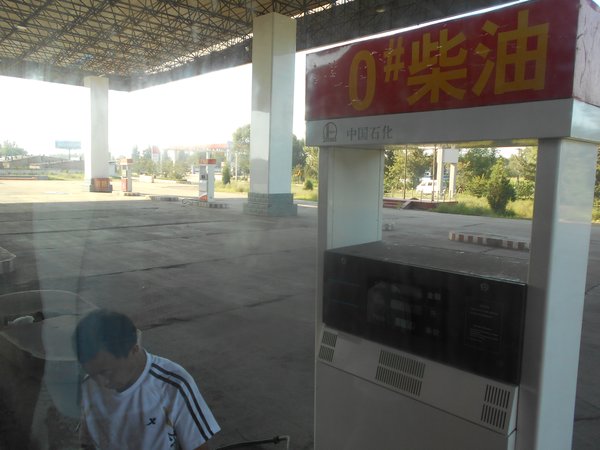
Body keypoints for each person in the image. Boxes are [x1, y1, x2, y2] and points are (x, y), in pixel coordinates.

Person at [73, 309, 220, 450]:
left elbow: (198, 446)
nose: (101, 383)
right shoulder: (89, 385)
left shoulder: (173, 384)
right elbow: (87, 442)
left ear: (133, 350)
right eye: (92, 373)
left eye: (107, 372)